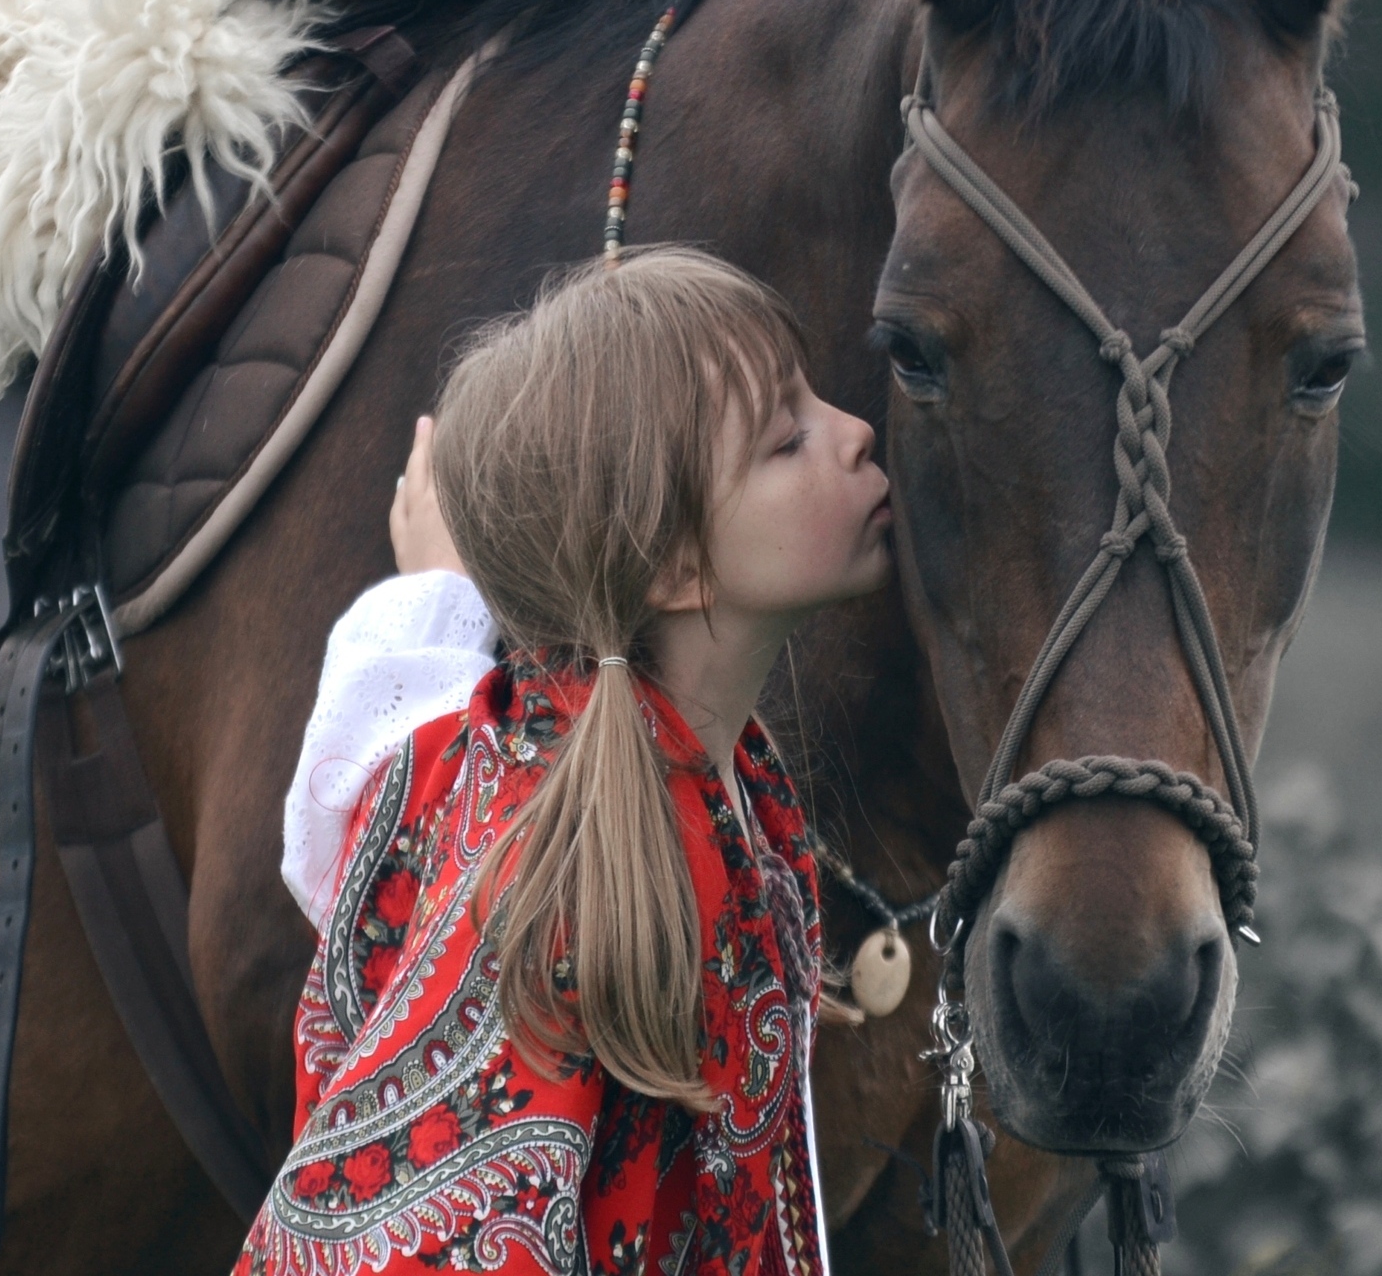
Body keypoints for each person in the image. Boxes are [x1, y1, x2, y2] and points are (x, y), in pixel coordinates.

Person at [237, 246, 892, 1276]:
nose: (856, 435)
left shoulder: (683, 776)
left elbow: (387, 788)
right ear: (674, 563)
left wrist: (443, 594)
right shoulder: (562, 873)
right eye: (786, 439)